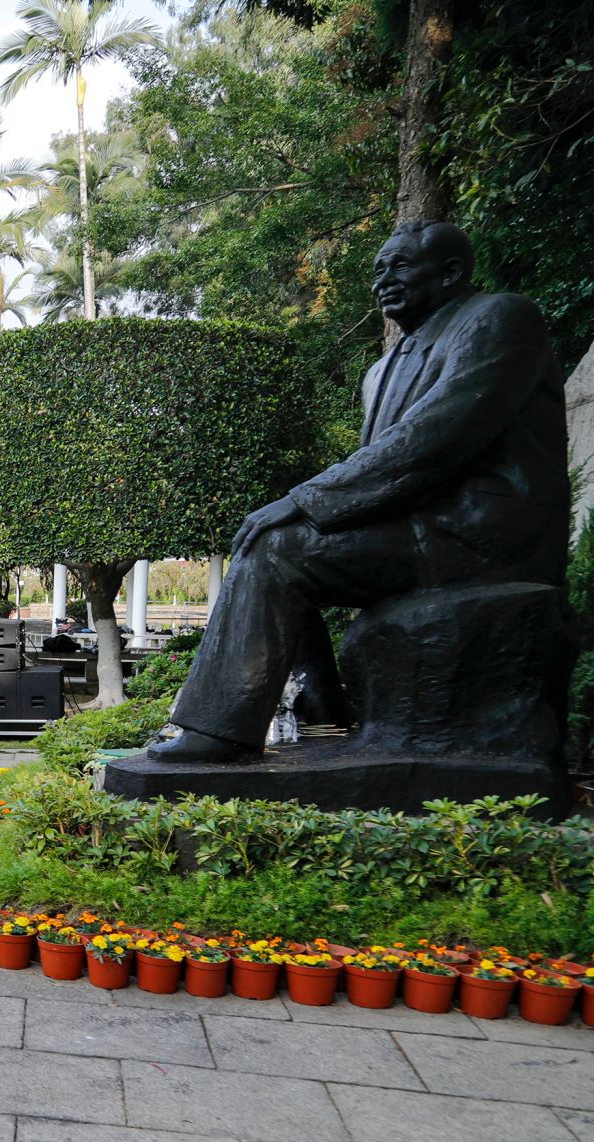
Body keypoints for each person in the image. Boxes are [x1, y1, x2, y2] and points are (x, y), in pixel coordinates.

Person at [152, 220, 571, 765]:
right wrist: (305, 510)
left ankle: (219, 733)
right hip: (421, 528)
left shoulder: (500, 318)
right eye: (378, 271)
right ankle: (322, 713)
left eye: (400, 266)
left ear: (451, 273)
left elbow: (434, 438)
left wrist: (302, 499)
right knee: (276, 540)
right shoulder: (382, 369)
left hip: (478, 533)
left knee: (279, 550)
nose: (383, 282)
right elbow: (387, 466)